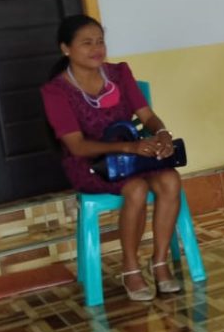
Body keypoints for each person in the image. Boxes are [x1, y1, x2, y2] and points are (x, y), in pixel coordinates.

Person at [41, 16, 183, 302]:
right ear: (66, 48)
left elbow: (147, 116)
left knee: (170, 179)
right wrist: (130, 147)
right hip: (91, 163)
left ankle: (159, 262)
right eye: (87, 43)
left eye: (100, 41)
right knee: (136, 189)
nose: (96, 49)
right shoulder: (55, 91)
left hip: (134, 155)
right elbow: (77, 146)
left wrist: (162, 134)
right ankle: (130, 269)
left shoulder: (119, 73)